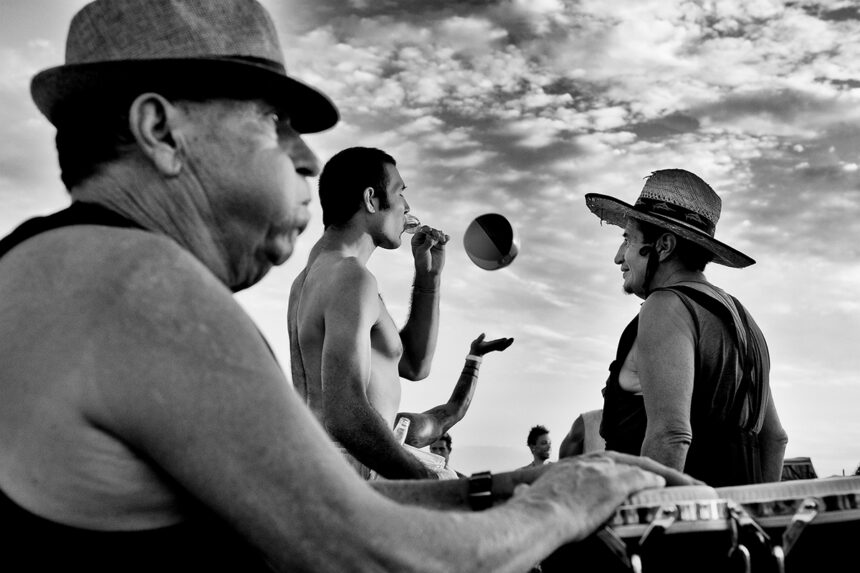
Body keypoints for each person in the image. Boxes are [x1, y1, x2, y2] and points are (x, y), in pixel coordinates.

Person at [0, 1, 699, 570]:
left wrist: (490, 487)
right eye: (276, 123)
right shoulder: (143, 289)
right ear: (159, 129)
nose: (306, 159)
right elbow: (366, 551)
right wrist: (560, 505)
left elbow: (312, 511)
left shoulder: (52, 271)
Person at [585, 169, 788, 486]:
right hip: (732, 526)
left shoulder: (666, 305)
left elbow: (671, 435)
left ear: (663, 245)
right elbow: (774, 439)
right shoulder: (743, 318)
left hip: (675, 527)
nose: (618, 257)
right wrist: (754, 519)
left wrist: (651, 523)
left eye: (628, 239)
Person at [288, 145, 454, 480]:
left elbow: (413, 365)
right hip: (354, 469)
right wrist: (424, 481)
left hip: (320, 465)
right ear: (371, 200)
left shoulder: (310, 280)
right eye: (400, 192)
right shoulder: (351, 277)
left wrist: (428, 279)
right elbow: (345, 415)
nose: (407, 207)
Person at [397, 332, 514, 449]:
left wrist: (475, 356)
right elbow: (456, 409)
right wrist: (475, 356)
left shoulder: (401, 428)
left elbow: (455, 409)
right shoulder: (401, 428)